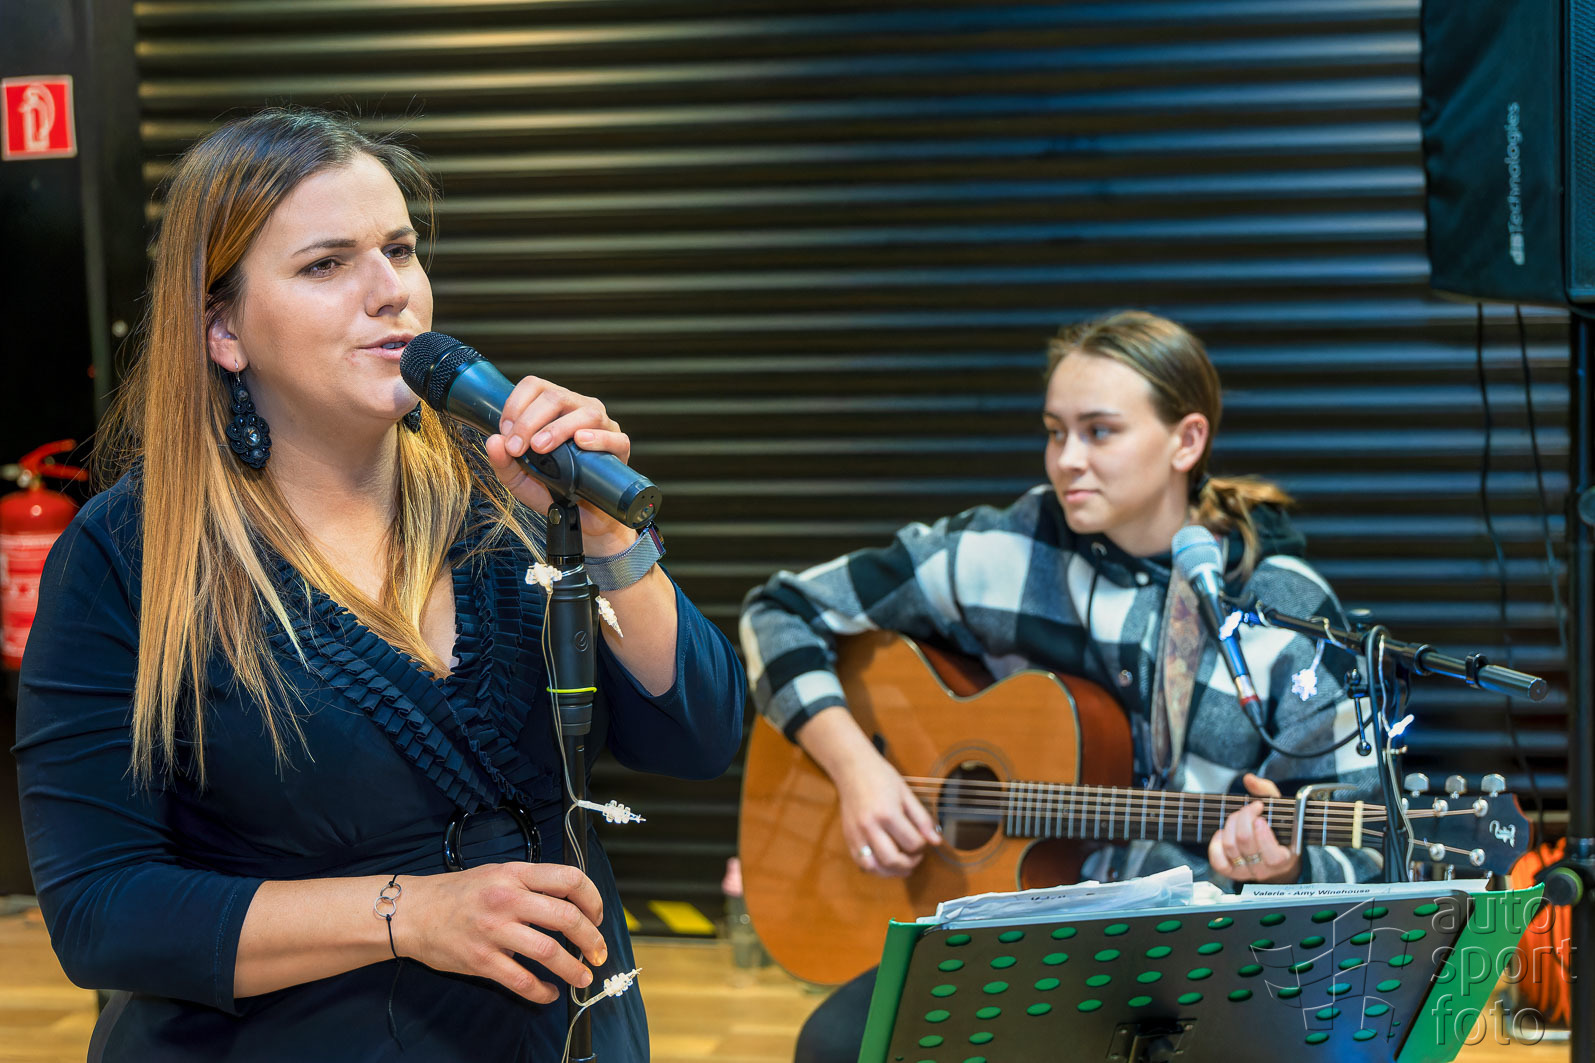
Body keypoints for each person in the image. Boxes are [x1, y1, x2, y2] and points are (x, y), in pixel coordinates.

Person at [14, 107, 744, 1062]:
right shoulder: (130, 553)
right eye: (326, 264)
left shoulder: (509, 496)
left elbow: (700, 735)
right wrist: (410, 912)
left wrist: (606, 535)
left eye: (399, 251)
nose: (389, 290)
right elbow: (101, 911)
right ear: (224, 331)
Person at [739, 309, 1380, 1063]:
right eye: (1054, 431)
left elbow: (1369, 851)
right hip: (1017, 933)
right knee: (836, 1045)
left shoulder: (1284, 610)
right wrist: (858, 770)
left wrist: (1289, 866)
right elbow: (778, 611)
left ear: (1186, 441)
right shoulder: (1011, 546)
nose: (1067, 460)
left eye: (1099, 432)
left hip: (1195, 963)